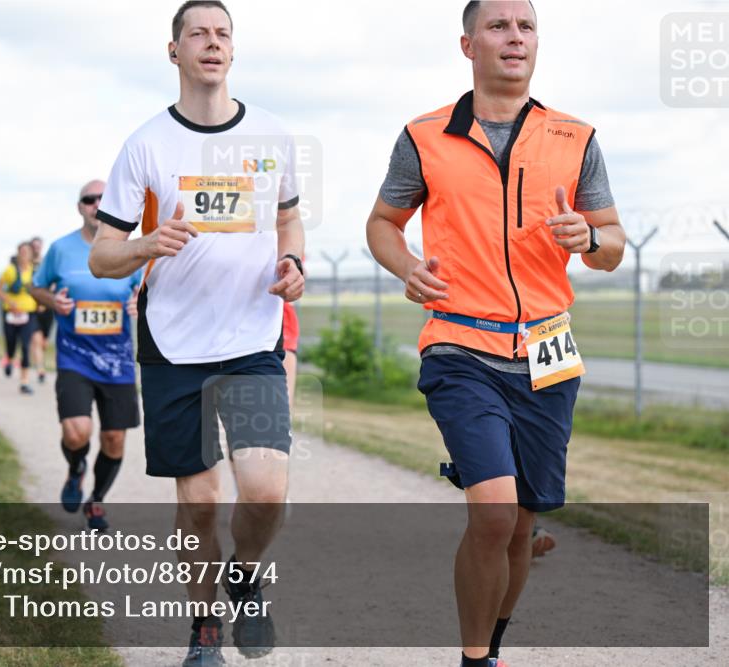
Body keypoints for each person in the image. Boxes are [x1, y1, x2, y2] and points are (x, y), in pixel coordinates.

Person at [365, 3, 626, 665]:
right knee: (494, 513)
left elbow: (613, 246)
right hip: (460, 347)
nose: (515, 37)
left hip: (547, 352)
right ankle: (474, 659)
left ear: (537, 43)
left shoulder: (575, 138)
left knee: (520, 526)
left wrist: (589, 238)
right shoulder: (424, 136)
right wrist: (408, 267)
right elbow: (382, 223)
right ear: (468, 44)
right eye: (499, 26)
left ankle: (492, 648)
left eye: (526, 26)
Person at [87, 3, 305, 663]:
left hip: (252, 338)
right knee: (200, 500)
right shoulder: (146, 145)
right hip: (173, 344)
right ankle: (204, 626)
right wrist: (145, 243)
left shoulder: (271, 135)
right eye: (198, 34)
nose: (212, 43)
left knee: (266, 492)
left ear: (233, 51)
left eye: (223, 34)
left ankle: (246, 575)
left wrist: (293, 262)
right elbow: (102, 256)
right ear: (174, 51)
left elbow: (289, 220)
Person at [31, 181, 142, 531]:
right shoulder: (61, 249)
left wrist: (140, 300)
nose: (96, 204)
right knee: (77, 432)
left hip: (117, 361)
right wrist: (52, 301)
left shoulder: (132, 250)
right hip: (74, 356)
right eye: (89, 199)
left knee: (114, 438)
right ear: (80, 207)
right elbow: (36, 287)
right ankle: (76, 467)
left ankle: (96, 501)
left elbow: (148, 290)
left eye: (104, 199)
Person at [0, 241, 40, 394]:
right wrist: (9, 302)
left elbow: (41, 289)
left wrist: (41, 303)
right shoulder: (10, 271)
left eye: (27, 252)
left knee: (25, 346)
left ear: (31, 254)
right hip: (11, 313)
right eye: (22, 252)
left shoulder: (35, 271)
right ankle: (10, 359)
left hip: (28, 313)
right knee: (11, 342)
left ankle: (24, 382)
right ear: (18, 254)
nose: (24, 254)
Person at [30, 236, 53, 383]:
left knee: (44, 343)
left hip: (47, 307)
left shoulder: (47, 263)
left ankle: (40, 362)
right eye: (34, 246)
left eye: (38, 246)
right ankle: (40, 370)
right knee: (36, 340)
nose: (36, 249)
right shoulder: (27, 265)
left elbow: (52, 283)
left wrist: (46, 300)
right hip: (32, 308)